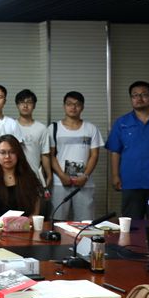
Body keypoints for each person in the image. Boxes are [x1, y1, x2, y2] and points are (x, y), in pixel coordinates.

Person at [106, 81, 149, 220]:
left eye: (144, 95)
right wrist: (115, 175)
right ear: (131, 98)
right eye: (135, 95)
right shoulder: (122, 123)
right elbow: (115, 151)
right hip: (131, 181)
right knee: (131, 225)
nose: (139, 98)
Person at [48, 91, 104, 220]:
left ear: (82, 107)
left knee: (85, 222)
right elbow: (51, 155)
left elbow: (94, 155)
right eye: (69, 104)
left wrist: (85, 176)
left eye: (77, 104)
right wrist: (62, 175)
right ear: (64, 106)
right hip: (60, 182)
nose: (73, 107)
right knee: (58, 221)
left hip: (84, 183)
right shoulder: (53, 128)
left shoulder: (91, 129)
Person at [0, 135, 43, 223]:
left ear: (18, 154)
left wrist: (24, 225)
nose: (7, 156)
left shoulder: (30, 178)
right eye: (2, 152)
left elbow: (35, 212)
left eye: (12, 152)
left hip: (23, 228)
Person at [14, 89, 52, 186]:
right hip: (14, 176)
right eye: (22, 102)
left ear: (34, 105)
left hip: (35, 176)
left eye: (29, 102)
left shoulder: (42, 128)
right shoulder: (11, 126)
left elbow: (45, 154)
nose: (25, 105)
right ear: (17, 105)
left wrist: (49, 175)